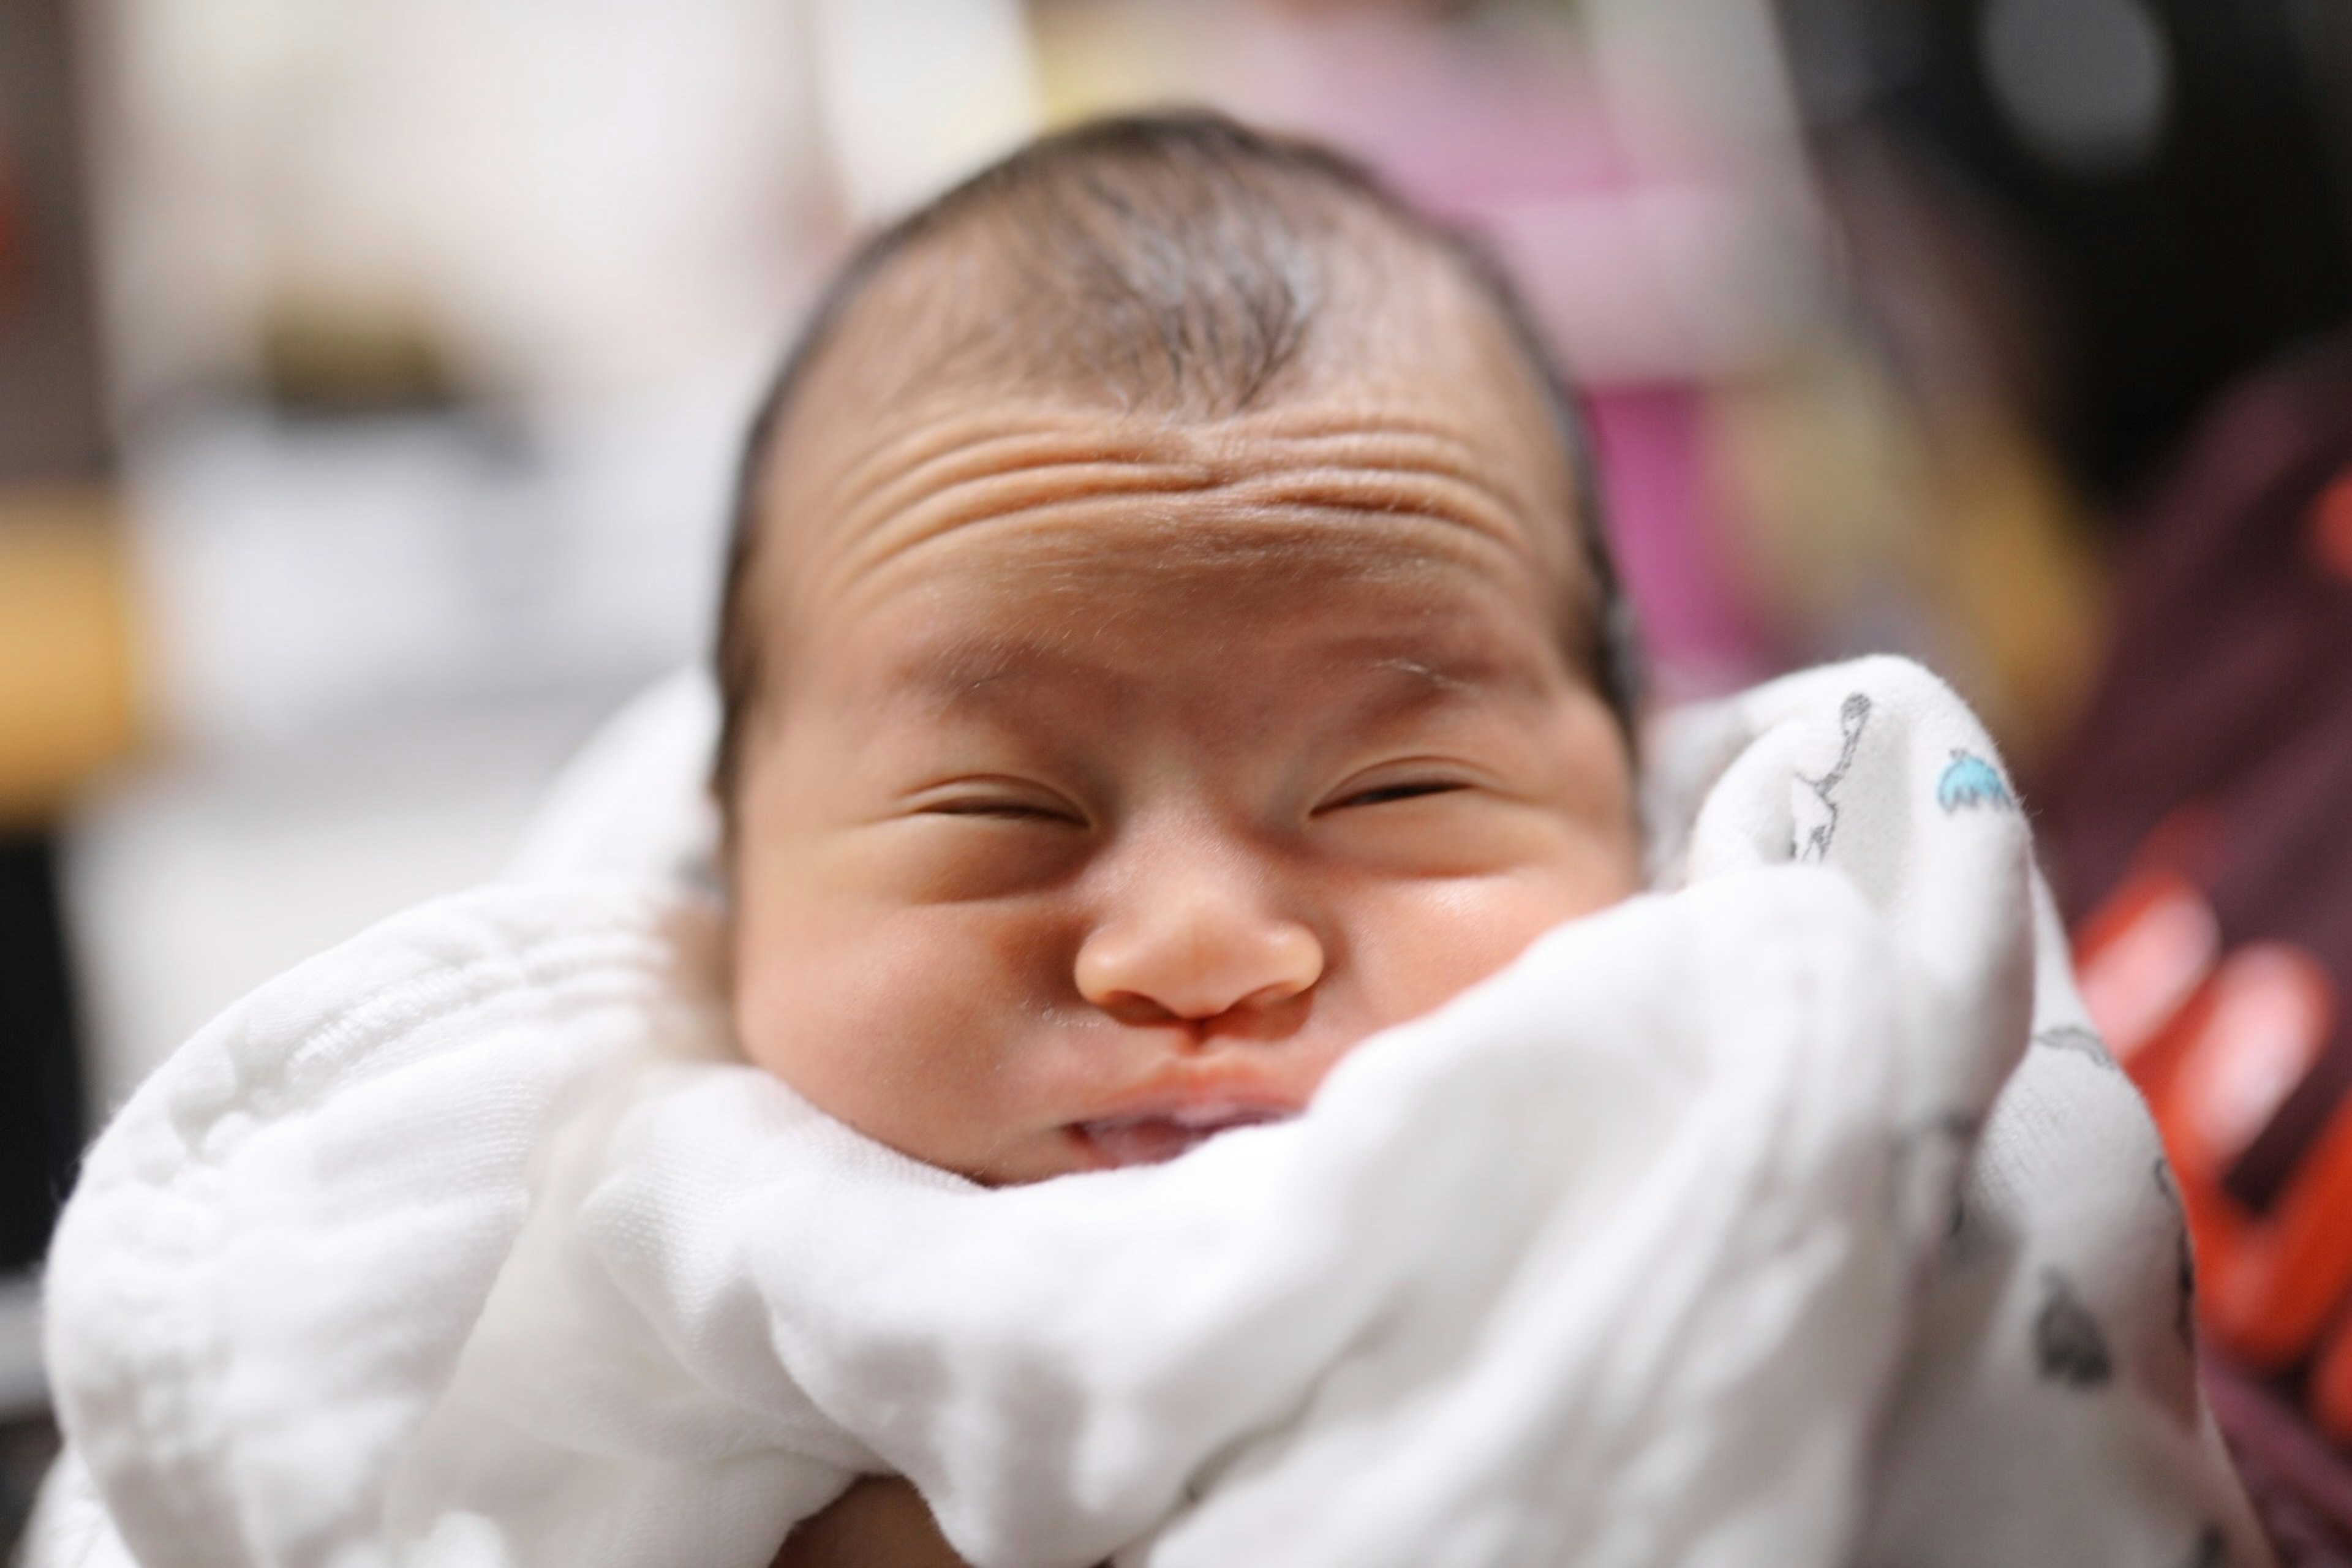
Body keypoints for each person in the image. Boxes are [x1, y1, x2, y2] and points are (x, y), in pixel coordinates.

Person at [707, 110, 1645, 1558]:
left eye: (1395, 790)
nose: (1199, 948)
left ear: (1641, 802)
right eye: (996, 807)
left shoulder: (1776, 1149)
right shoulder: (584, 1309)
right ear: (726, 865)